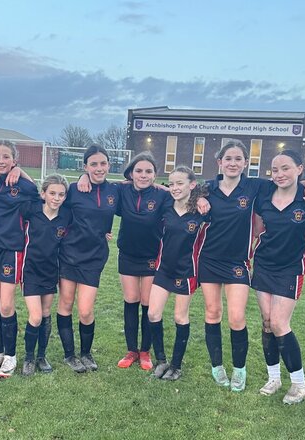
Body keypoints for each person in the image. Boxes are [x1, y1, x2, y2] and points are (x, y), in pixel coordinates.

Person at [197, 139, 305, 391]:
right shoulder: (207, 188)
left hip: (238, 262)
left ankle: (239, 369)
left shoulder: (256, 187)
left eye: (238, 159)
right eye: (228, 159)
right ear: (219, 162)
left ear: (245, 163)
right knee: (212, 313)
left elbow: (291, 181)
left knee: (238, 317)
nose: (232, 163)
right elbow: (177, 188)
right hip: (209, 260)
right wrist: (197, 197)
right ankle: (217, 365)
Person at [251, 150, 305, 404]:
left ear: (300, 169)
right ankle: (274, 378)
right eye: (275, 169)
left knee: (281, 323)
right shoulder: (264, 195)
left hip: (291, 268)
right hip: (263, 265)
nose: (279, 174)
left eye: (285, 168)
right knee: (268, 322)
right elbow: (259, 229)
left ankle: (300, 385)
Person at [0, 140, 39, 378]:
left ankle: (11, 356)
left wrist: (19, 170)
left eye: (6, 157)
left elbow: (36, 194)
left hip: (11, 248)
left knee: (6, 304)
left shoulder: (22, 184)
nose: (1, 161)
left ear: (14, 159)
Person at [57, 145, 120, 373]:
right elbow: (50, 204)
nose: (99, 168)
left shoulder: (115, 191)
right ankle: (69, 355)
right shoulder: (74, 189)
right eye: (93, 164)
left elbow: (139, 190)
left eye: (103, 163)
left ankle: (86, 353)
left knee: (85, 310)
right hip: (68, 254)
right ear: (85, 167)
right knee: (65, 304)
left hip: (94, 257)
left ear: (109, 166)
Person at [148, 166, 208, 381]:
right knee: (153, 314)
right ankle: (162, 361)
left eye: (179, 183)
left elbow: (215, 188)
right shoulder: (165, 206)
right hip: (163, 269)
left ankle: (176, 366)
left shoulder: (202, 212)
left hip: (187, 271)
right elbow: (147, 185)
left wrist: (202, 197)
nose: (174, 188)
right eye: (171, 183)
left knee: (179, 317)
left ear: (192, 184)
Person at [114, 152, 172, 371]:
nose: (143, 175)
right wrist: (82, 178)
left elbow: (185, 192)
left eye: (148, 171)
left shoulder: (162, 195)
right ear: (131, 173)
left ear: (155, 174)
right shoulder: (121, 190)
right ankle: (132, 350)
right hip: (127, 254)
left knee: (148, 305)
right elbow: (97, 184)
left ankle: (145, 351)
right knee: (131, 301)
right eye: (139, 171)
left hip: (151, 257)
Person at [19, 174, 72, 376]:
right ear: (43, 194)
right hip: (30, 270)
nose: (56, 198)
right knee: (35, 316)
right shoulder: (31, 210)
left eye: (61, 194)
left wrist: (104, 232)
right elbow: (6, 211)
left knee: (45, 313)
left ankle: (42, 356)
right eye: (52, 193)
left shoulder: (66, 216)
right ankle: (29, 358)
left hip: (51, 271)